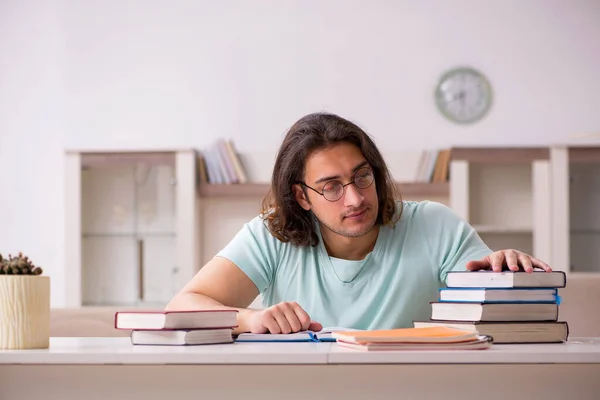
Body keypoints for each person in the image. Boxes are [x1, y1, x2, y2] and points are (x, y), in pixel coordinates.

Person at [166, 112, 552, 335]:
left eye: (362, 176)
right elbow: (181, 306)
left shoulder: (434, 225)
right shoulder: (271, 235)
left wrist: (505, 271)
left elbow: (490, 302)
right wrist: (250, 318)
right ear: (302, 196)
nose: (355, 199)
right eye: (330, 187)